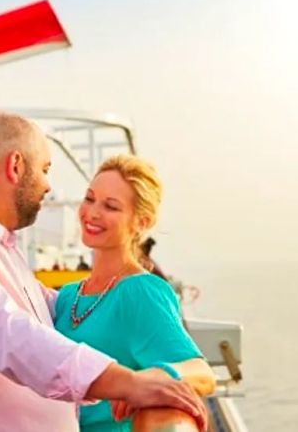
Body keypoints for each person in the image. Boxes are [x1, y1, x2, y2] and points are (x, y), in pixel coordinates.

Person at [0, 112, 206, 432]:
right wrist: (128, 382)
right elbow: (8, 334)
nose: (47, 185)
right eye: (44, 169)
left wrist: (161, 372)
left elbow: (58, 311)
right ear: (15, 166)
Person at [54, 154, 216, 431]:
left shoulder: (140, 293)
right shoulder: (68, 296)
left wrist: (148, 379)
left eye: (111, 207)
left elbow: (202, 373)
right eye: (90, 198)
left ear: (141, 222)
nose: (92, 213)